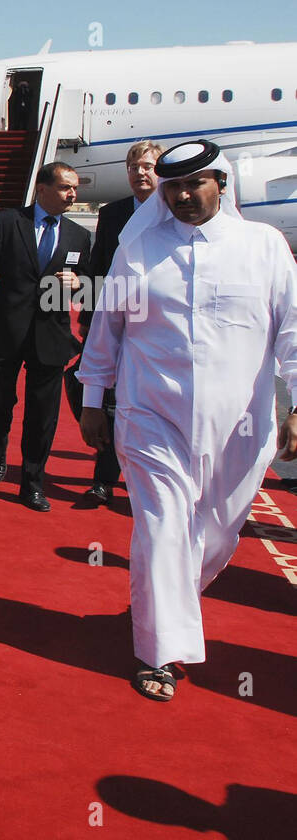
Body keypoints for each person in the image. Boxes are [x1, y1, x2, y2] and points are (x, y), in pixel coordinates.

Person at [76, 139, 297, 702]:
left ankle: (164, 599)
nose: (181, 195)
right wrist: (92, 400)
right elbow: (108, 331)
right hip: (151, 415)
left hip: (242, 425)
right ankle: (160, 652)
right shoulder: (139, 251)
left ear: (220, 185)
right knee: (162, 526)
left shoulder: (265, 248)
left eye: (194, 184)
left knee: (218, 531)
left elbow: (292, 333)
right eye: (172, 186)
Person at [0, 162, 92, 512]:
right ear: (42, 189)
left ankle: (31, 481)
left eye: (75, 188)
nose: (72, 194)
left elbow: (90, 289)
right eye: (65, 187)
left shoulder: (78, 235)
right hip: (7, 330)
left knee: (43, 413)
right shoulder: (10, 222)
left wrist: (79, 285)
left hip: (52, 335)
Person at [75, 139, 163, 507]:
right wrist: (89, 319)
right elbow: (97, 270)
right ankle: (103, 480)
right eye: (132, 167)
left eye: (147, 166)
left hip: (160, 326)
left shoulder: (174, 209)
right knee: (109, 401)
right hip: (120, 321)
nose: (139, 173)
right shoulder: (112, 214)